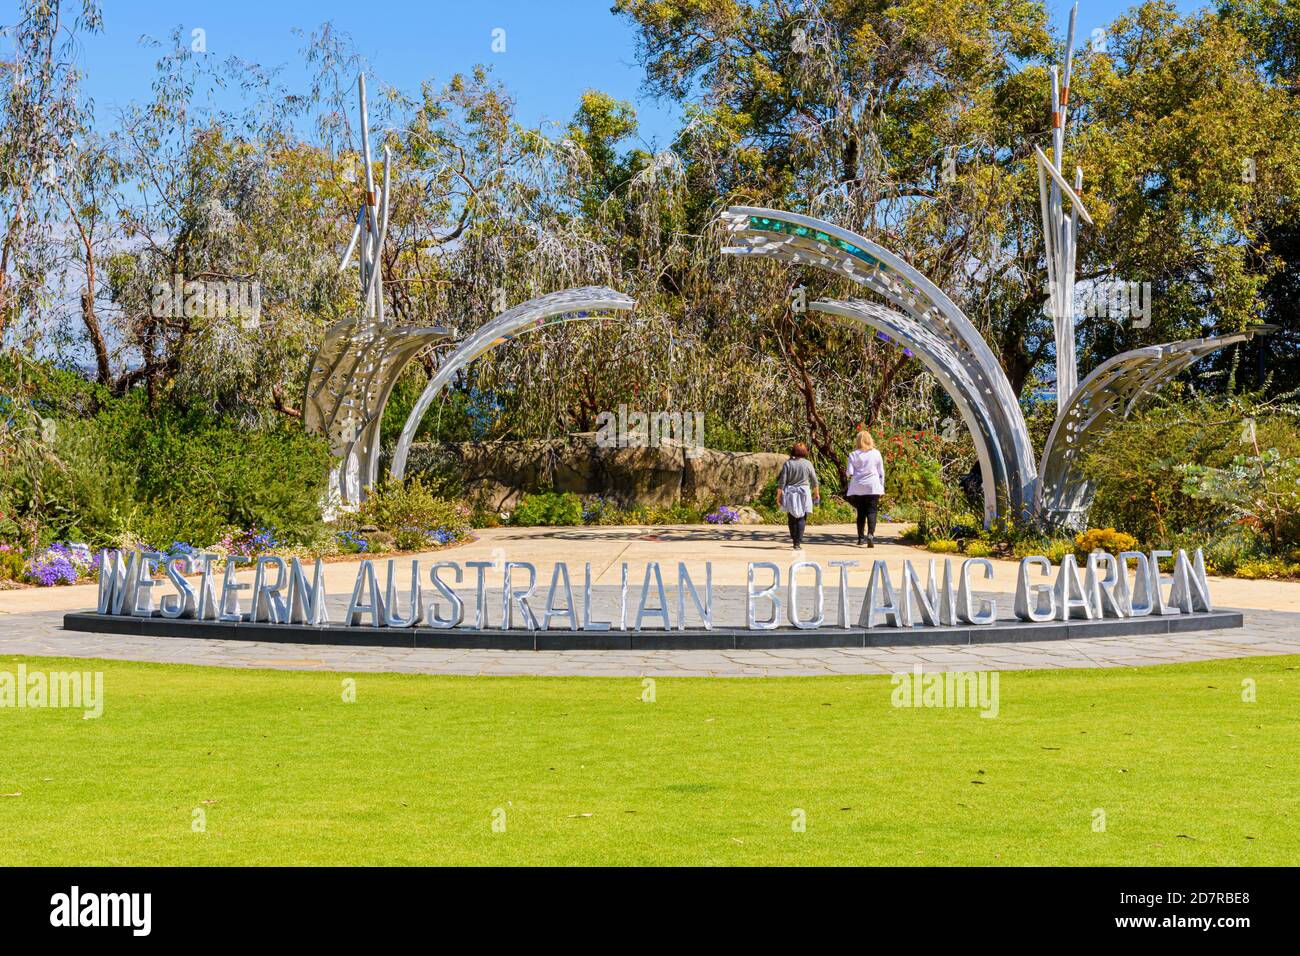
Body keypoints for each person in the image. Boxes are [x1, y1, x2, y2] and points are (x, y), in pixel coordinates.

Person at [776, 442, 820, 551]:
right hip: (804, 492)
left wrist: (779, 496)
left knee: (791, 516)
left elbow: (782, 482)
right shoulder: (808, 463)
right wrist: (816, 493)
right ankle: (798, 542)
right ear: (805, 452)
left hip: (790, 492)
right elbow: (814, 481)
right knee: (802, 517)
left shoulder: (788, 464)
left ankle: (794, 538)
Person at [845, 429, 885, 547]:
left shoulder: (853, 454)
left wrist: (850, 474)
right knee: (872, 511)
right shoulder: (876, 453)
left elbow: (850, 472)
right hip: (873, 486)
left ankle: (860, 538)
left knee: (861, 513)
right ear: (870, 440)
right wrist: (881, 486)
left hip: (858, 487)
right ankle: (870, 534)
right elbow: (881, 471)